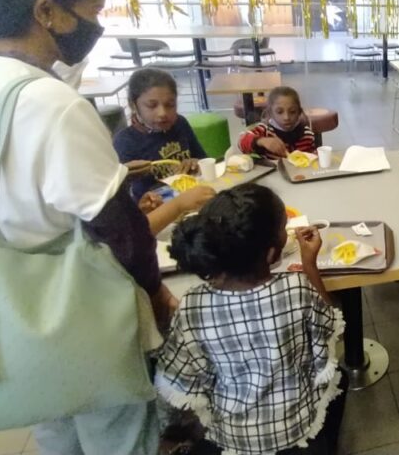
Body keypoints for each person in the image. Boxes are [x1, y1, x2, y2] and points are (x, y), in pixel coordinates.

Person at [0, 0, 167, 454]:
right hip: (76, 313)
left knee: (55, 433)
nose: (94, 26)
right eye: (90, 12)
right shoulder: (50, 102)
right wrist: (156, 296)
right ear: (46, 11)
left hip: (8, 312)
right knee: (118, 435)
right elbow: (120, 230)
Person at [156, 184, 347, 455]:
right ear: (271, 253)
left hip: (232, 438)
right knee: (341, 379)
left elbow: (179, 380)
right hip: (296, 429)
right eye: (284, 228)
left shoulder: (192, 305)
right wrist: (309, 265)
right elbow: (329, 327)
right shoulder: (296, 289)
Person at [113, 68, 208, 199]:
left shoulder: (180, 123)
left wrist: (195, 163)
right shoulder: (125, 141)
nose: (163, 113)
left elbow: (203, 159)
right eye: (152, 106)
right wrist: (125, 176)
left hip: (190, 196)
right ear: (133, 105)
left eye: (170, 105)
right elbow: (123, 194)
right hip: (156, 206)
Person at [238, 86, 317, 159]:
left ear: (299, 112)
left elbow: (313, 159)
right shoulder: (265, 130)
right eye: (279, 112)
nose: (286, 117)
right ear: (271, 113)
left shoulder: (307, 134)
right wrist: (261, 141)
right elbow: (241, 141)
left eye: (292, 112)